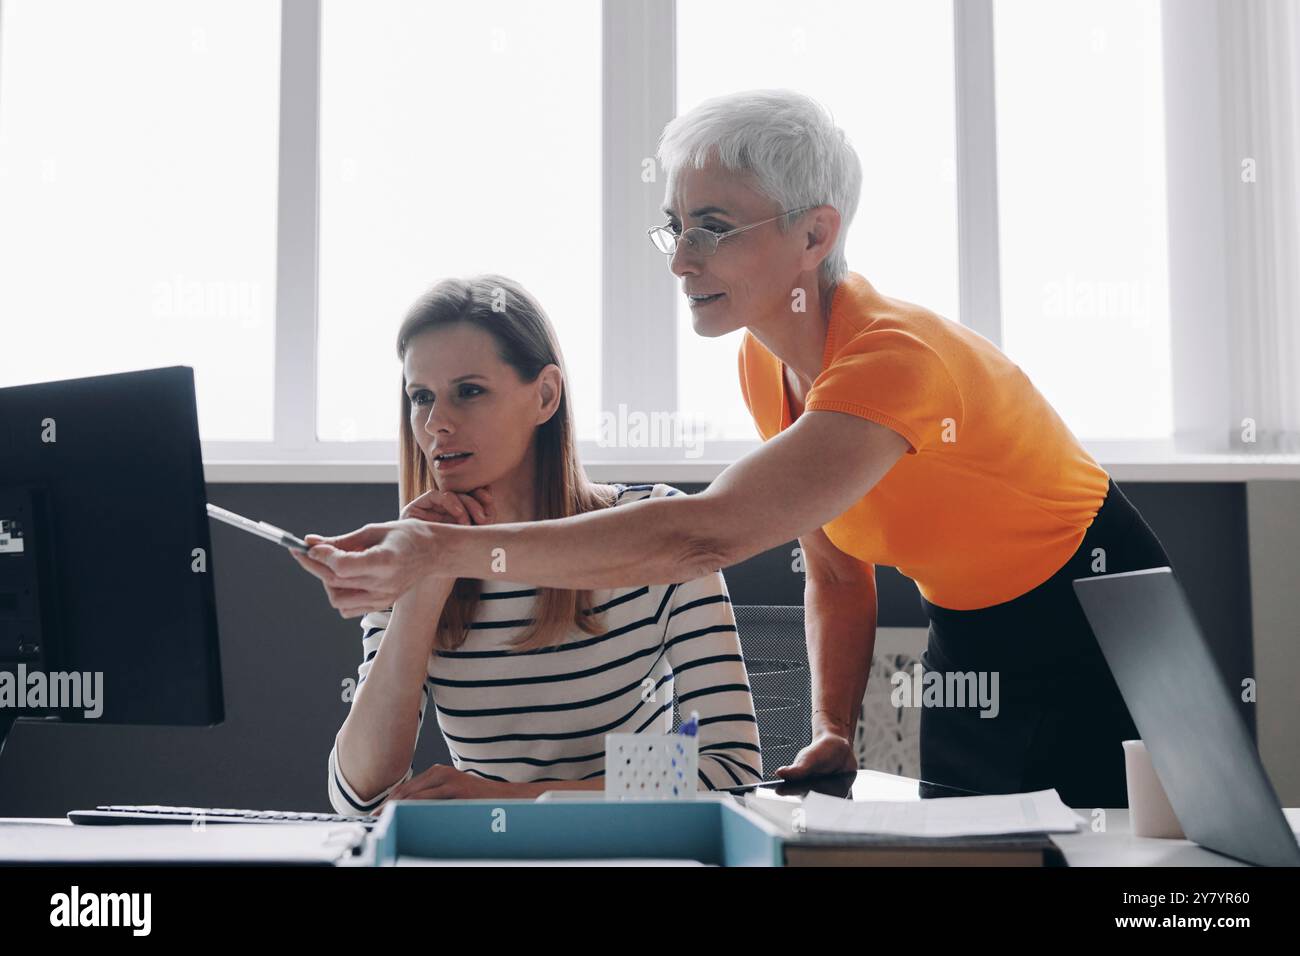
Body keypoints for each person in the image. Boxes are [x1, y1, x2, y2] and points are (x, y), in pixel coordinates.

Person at [295, 90, 1174, 809]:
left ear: (815, 234)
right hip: (969, 636)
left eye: (711, 227)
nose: (681, 259)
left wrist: (447, 554)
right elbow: (833, 569)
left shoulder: (893, 363)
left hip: (1097, 615)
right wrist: (834, 725)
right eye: (674, 226)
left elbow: (702, 540)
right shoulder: (769, 362)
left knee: (1146, 876)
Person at [304, 275, 762, 815]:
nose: (436, 424)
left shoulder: (652, 533)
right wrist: (424, 588)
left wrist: (521, 800)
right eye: (420, 397)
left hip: (630, 852)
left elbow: (729, 768)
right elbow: (359, 794)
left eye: (469, 391)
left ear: (545, 395)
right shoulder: (415, 557)